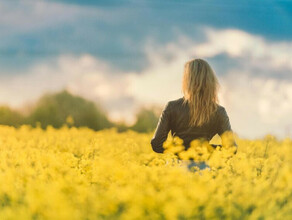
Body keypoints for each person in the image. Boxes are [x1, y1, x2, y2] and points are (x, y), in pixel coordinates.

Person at [150, 58, 237, 171]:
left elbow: (157, 144)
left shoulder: (172, 107)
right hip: (203, 169)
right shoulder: (219, 111)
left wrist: (179, 150)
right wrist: (204, 149)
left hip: (175, 169)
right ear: (210, 81)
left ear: (187, 81)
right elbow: (231, 148)